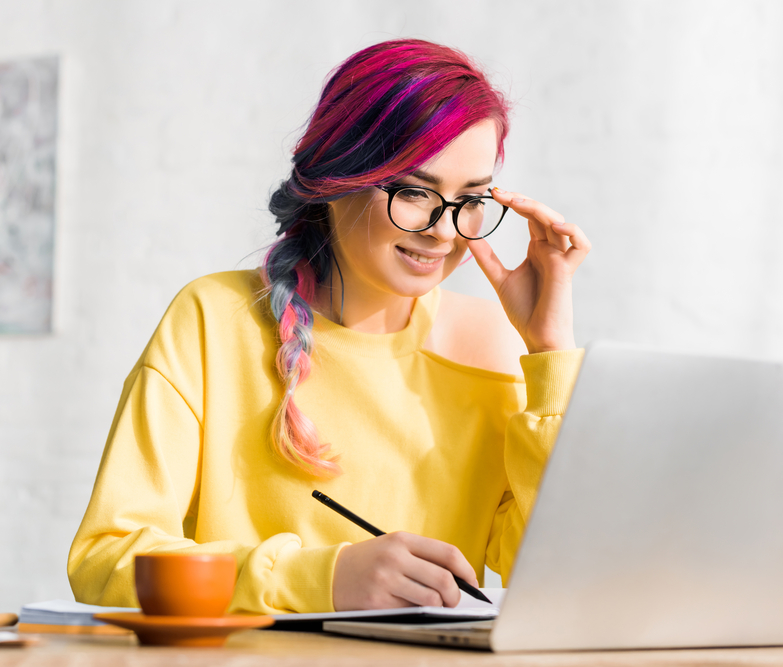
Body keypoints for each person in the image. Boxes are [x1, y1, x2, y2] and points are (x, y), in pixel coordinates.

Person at [68, 38, 590, 615]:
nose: (445, 232)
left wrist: (549, 353)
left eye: (470, 200)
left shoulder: (490, 345)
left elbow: (551, 572)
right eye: (416, 192)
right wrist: (324, 580)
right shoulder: (214, 320)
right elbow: (106, 563)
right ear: (339, 178)